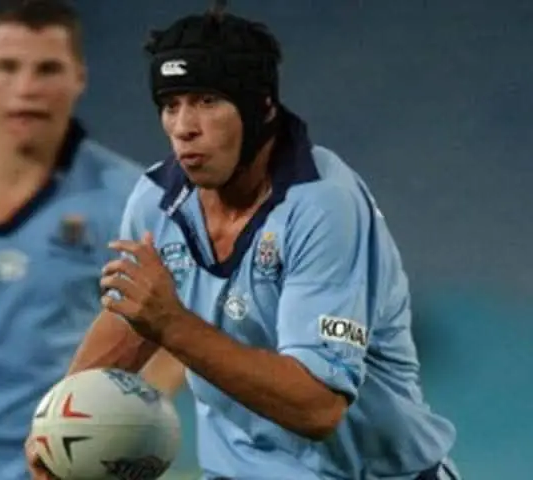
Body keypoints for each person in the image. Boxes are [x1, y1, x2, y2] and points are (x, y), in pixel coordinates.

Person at [28, 5, 460, 480]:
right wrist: (58, 424)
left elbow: (316, 408)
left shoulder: (322, 204)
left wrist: (172, 324)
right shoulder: (156, 201)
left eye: (207, 101)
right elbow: (131, 315)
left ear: (262, 108)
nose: (183, 126)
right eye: (171, 105)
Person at [0, 1, 180, 478]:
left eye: (48, 69)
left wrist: (118, 430)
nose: (26, 89)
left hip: (55, 471)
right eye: (7, 67)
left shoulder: (130, 198)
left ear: (79, 77)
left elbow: (169, 336)